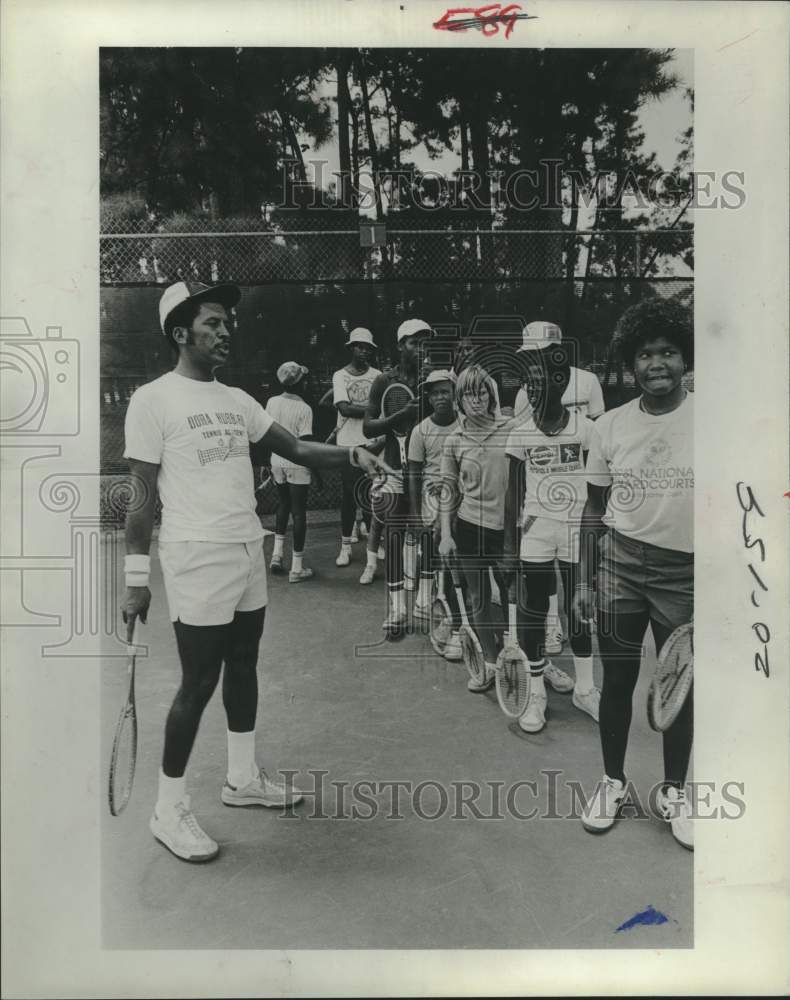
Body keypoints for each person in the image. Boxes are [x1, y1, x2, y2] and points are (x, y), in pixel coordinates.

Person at [121, 280, 390, 863]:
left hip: (247, 549)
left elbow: (298, 449)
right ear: (180, 333)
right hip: (196, 556)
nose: (225, 332)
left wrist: (352, 454)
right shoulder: (152, 400)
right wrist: (136, 580)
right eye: (212, 323)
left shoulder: (238, 399)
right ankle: (167, 808)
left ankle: (242, 779)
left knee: (243, 665)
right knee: (199, 682)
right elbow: (139, 495)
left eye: (226, 323)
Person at [573, 297, 694, 851]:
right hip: (620, 565)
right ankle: (613, 782)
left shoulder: (714, 420)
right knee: (617, 680)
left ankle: (675, 792)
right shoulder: (610, 426)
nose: (657, 363)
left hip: (685, 573)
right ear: (631, 363)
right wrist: (583, 580)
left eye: (667, 351)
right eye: (645, 354)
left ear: (684, 357)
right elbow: (593, 509)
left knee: (678, 687)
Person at [504, 329, 599, 734]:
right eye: (529, 383)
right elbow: (513, 496)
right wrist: (509, 548)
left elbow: (599, 491)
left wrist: (597, 541)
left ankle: (585, 689)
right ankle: (536, 693)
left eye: (543, 380)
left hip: (577, 530)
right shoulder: (520, 433)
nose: (535, 388)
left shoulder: (587, 430)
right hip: (536, 531)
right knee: (534, 611)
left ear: (562, 382)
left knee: (579, 611)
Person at [513, 322, 606, 655]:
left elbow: (597, 443)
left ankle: (582, 666)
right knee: (539, 592)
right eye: (529, 355)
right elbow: (526, 443)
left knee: (577, 592)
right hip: (539, 515)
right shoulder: (525, 390)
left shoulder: (588, 380)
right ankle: (551, 629)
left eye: (539, 352)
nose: (534, 360)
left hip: (577, 513)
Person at [438, 365, 512, 690]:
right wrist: (446, 535)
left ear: (491, 396)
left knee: (513, 596)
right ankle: (491, 663)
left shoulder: (512, 429)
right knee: (479, 597)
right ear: (460, 400)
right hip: (469, 527)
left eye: (482, 392)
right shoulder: (453, 440)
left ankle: (516, 655)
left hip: (507, 531)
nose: (477, 399)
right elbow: (447, 490)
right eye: (469, 394)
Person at [363, 318, 431, 636]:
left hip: (428, 470)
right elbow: (368, 427)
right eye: (416, 343)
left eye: (426, 343)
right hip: (393, 469)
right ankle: (397, 608)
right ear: (402, 345)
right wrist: (401, 416)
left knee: (427, 536)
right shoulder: (383, 381)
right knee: (394, 535)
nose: (421, 349)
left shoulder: (433, 378)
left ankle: (425, 601)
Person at [407, 369, 462, 661]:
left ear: (455, 395)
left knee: (455, 553)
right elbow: (414, 474)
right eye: (435, 393)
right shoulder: (420, 431)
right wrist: (416, 515)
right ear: (428, 398)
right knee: (429, 549)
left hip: (460, 495)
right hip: (431, 496)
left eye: (445, 392)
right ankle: (425, 595)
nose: (440, 397)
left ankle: (453, 606)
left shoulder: (465, 424)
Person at [331, 327, 382, 571]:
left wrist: (370, 413)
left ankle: (374, 543)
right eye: (360, 346)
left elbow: (383, 407)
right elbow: (344, 408)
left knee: (373, 494)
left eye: (368, 347)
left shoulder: (378, 375)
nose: (364, 351)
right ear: (351, 348)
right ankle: (345, 547)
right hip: (347, 444)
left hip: (373, 442)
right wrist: (372, 411)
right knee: (350, 496)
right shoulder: (339, 375)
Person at [264, 362, 317, 583]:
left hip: (276, 462)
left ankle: (276, 556)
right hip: (297, 464)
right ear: (300, 383)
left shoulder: (271, 402)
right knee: (299, 512)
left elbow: (267, 434)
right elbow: (305, 443)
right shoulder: (305, 409)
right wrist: (316, 471)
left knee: (283, 504)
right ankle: (296, 568)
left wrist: (268, 462)